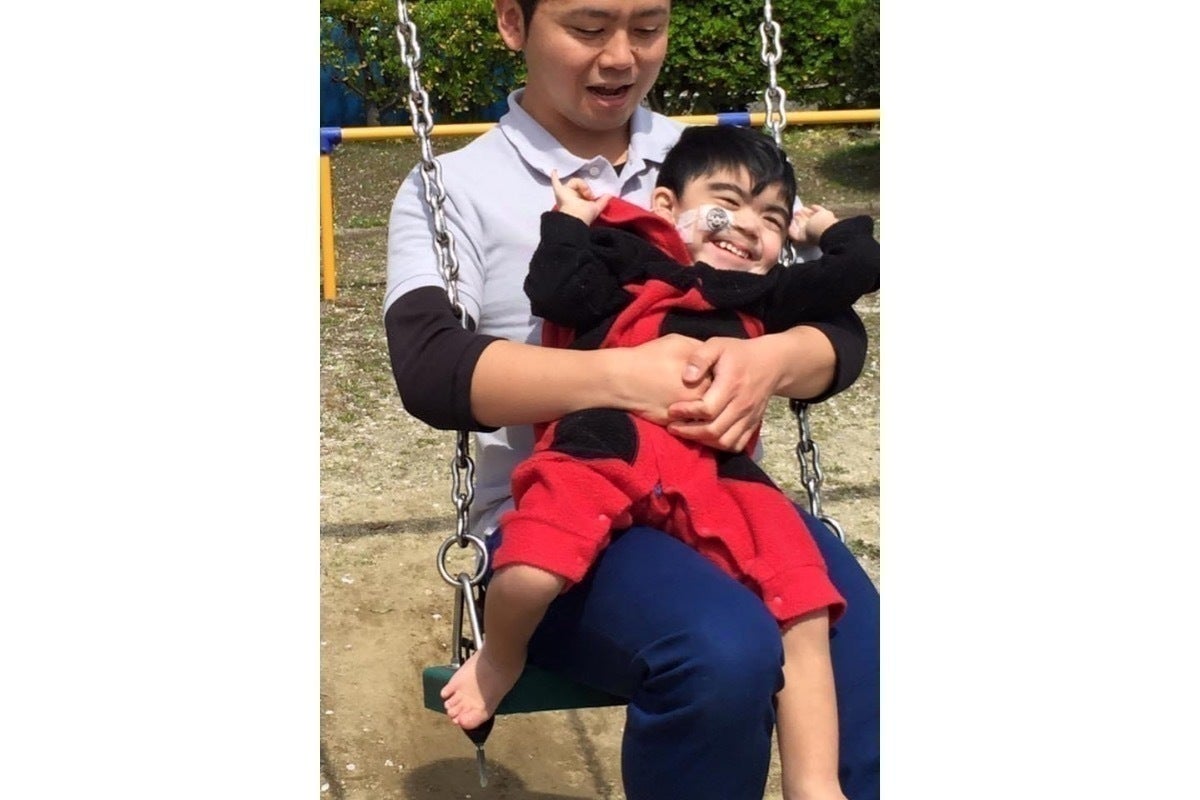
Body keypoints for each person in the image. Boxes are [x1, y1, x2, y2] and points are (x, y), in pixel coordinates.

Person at [385, 1, 880, 798]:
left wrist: (770, 360)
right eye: (588, 28)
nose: (621, 56)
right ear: (513, 23)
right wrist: (626, 379)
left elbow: (836, 336)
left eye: (647, 28)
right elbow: (430, 367)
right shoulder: (453, 188)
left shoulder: (709, 165)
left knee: (863, 641)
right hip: (569, 508)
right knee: (722, 651)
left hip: (722, 496)